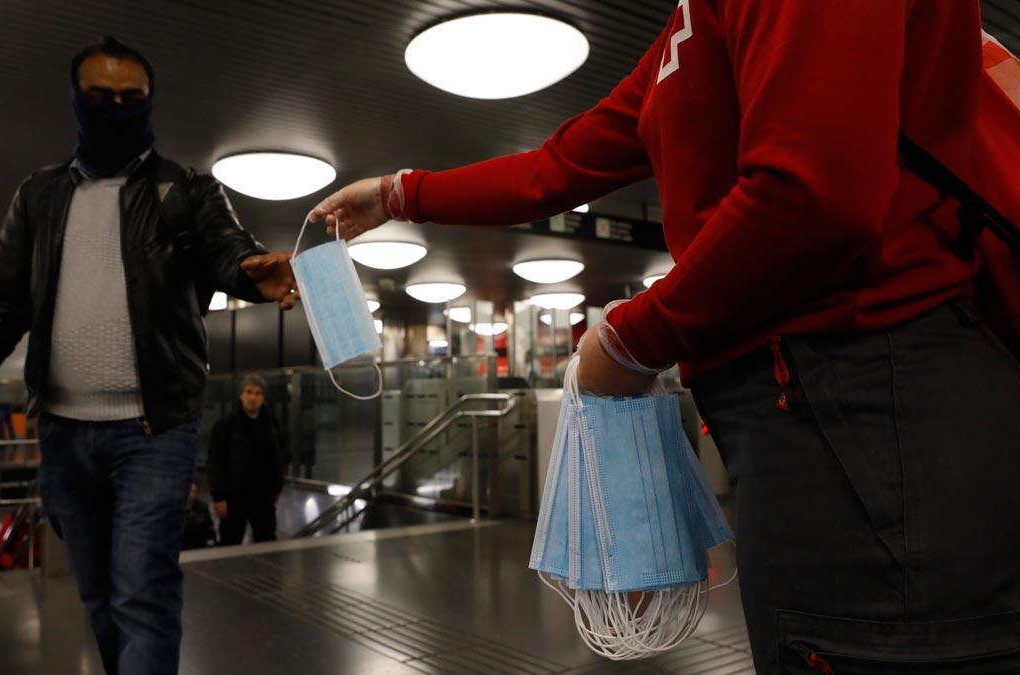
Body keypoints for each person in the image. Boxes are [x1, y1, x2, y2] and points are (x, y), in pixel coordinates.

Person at [310, 4, 1020, 672]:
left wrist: (629, 338)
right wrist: (400, 193)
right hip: (802, 415)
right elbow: (556, 167)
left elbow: (814, 194)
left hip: (877, 398)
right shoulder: (688, 26)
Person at [0, 36, 298, 675]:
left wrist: (254, 275)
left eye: (131, 98)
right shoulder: (40, 197)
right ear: (76, 101)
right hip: (63, 431)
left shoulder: (185, 190)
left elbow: (229, 251)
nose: (116, 108)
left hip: (155, 430)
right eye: (101, 96)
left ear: (150, 103)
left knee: (142, 592)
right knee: (100, 596)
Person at [208, 375, 286, 545]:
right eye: (249, 392)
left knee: (266, 541)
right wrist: (219, 496)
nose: (253, 397)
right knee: (230, 541)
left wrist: (277, 487)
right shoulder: (226, 426)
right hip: (234, 497)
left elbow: (279, 456)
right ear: (241, 395)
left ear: (263, 398)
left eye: (258, 393)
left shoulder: (271, 424)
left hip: (263, 496)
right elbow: (215, 463)